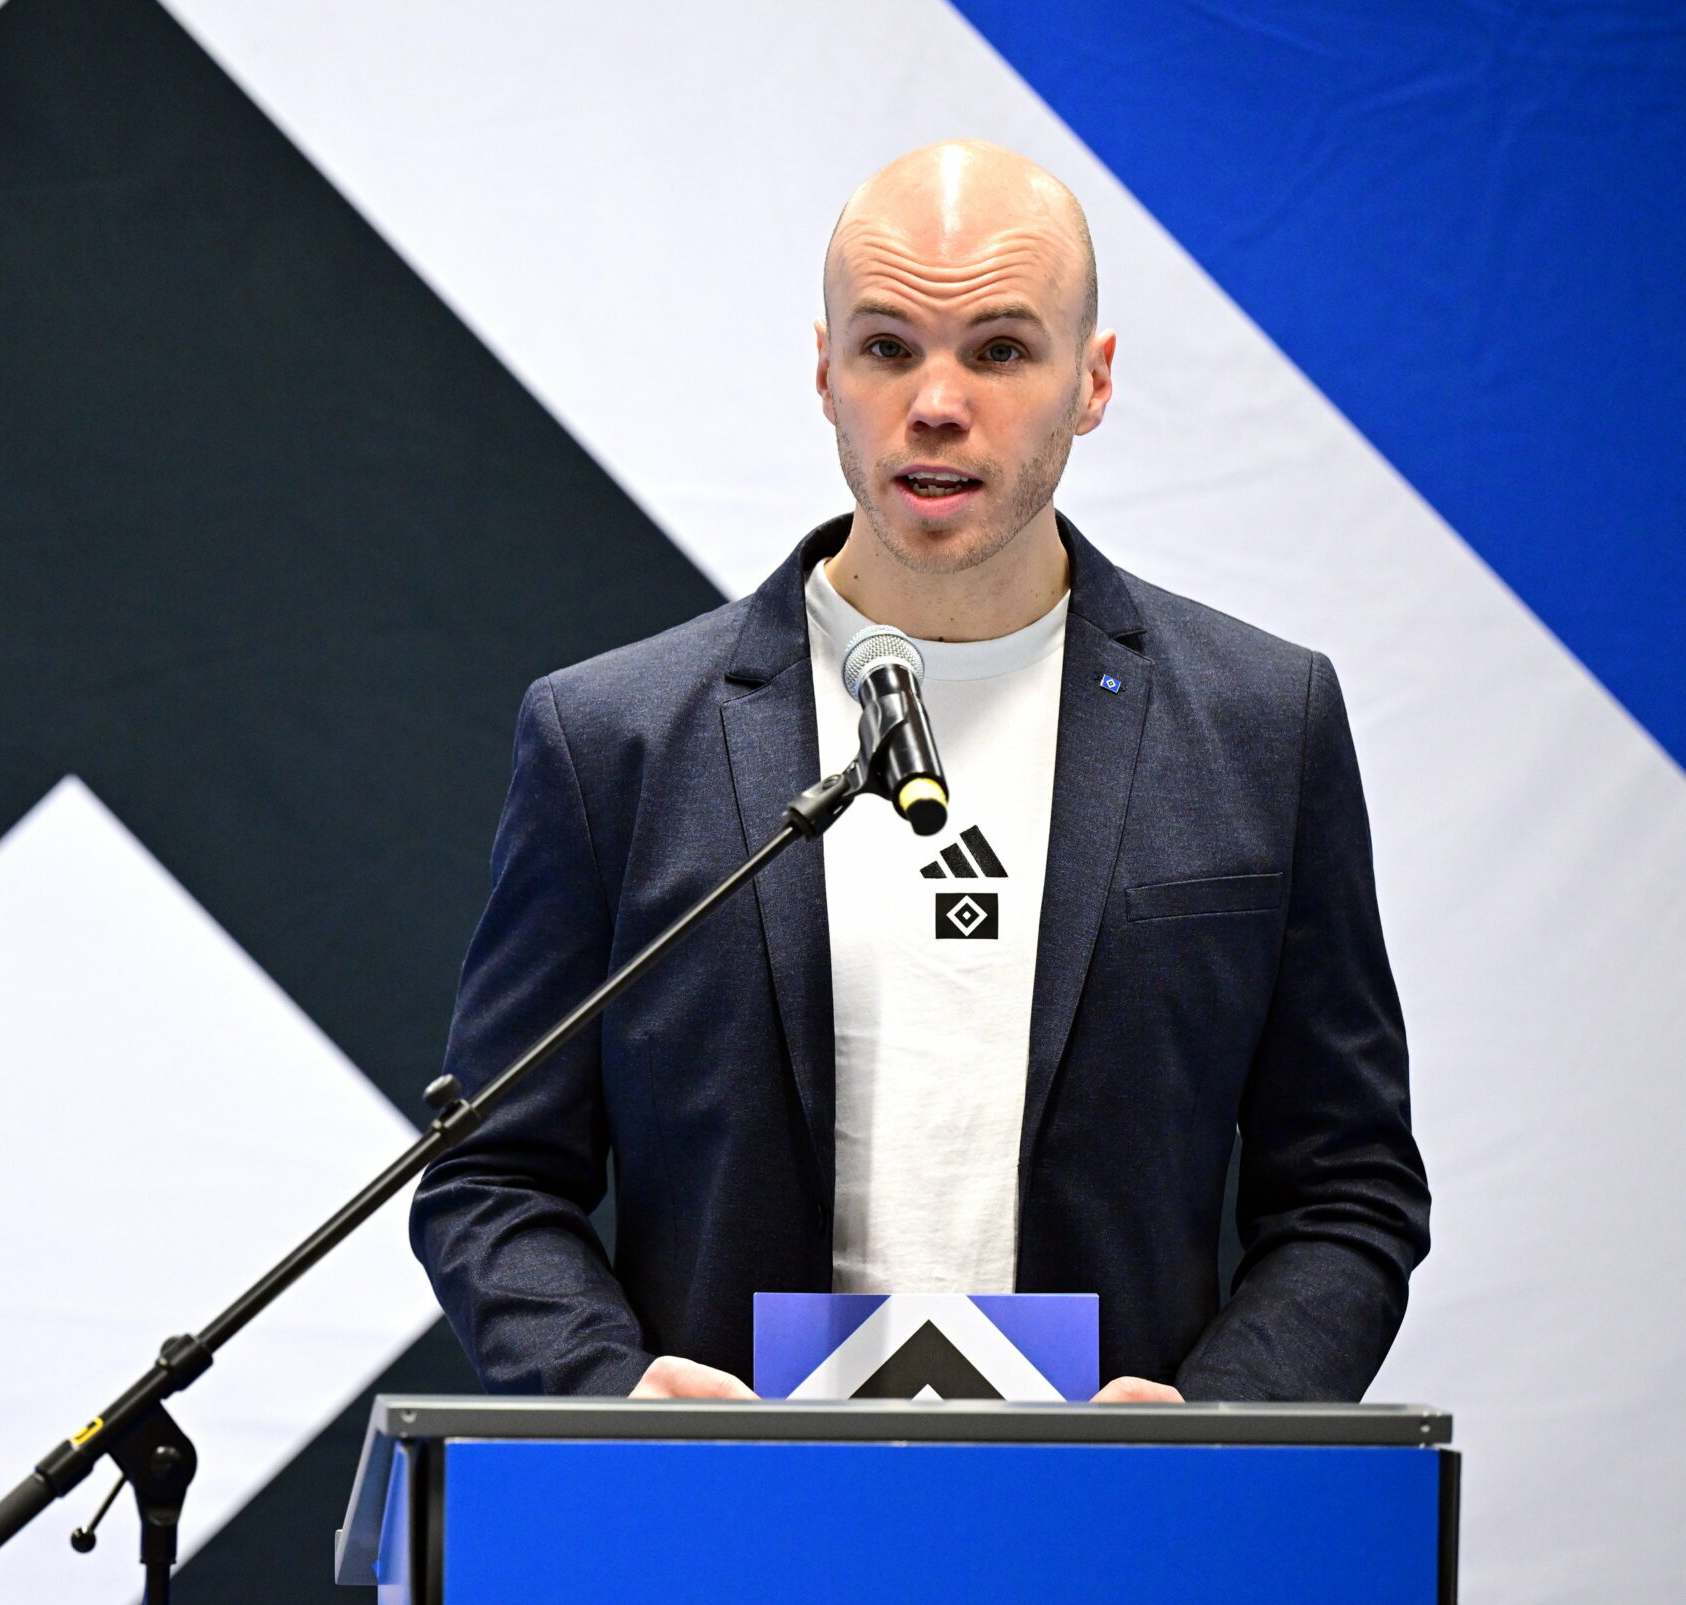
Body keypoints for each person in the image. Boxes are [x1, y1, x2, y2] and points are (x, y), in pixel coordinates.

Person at [410, 140, 1430, 1403]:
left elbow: (1349, 1187)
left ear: (1091, 382)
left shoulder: (1263, 726)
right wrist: (614, 1409)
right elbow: (491, 1174)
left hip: (1116, 1539)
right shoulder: (614, 740)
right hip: (733, 1533)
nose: (936, 402)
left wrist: (1216, 1433)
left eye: (1000, 351)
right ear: (824, 371)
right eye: (888, 347)